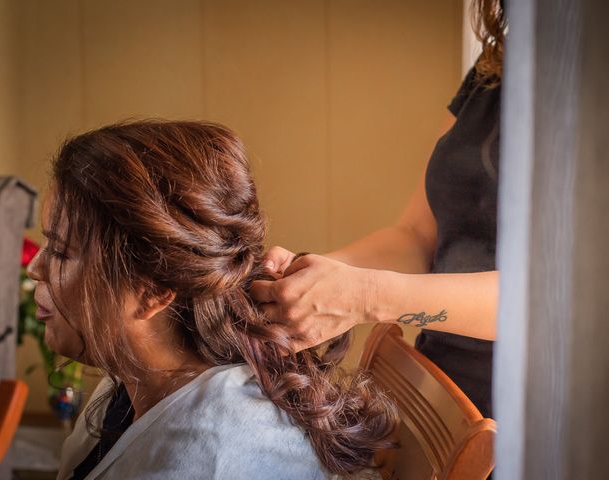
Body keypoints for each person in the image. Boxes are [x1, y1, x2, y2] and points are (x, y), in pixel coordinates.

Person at [26, 121, 397, 480]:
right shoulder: (133, 386)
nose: (35, 268)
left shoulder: (211, 452)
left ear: (152, 292)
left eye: (61, 252)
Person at [251, 0, 505, 420]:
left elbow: (564, 306)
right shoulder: (493, 68)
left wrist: (363, 296)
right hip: (441, 397)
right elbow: (418, 236)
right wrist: (312, 276)